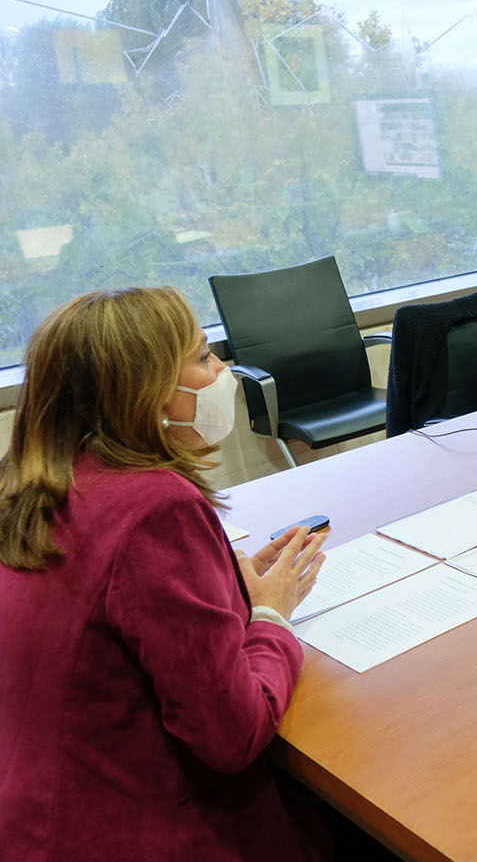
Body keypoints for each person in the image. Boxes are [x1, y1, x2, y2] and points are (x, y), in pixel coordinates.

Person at [0, 288, 331, 860]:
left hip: (36, 817)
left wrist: (227, 590)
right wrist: (271, 618)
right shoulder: (157, 506)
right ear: (147, 390)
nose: (223, 370)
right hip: (133, 828)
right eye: (203, 357)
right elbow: (234, 735)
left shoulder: (36, 485)